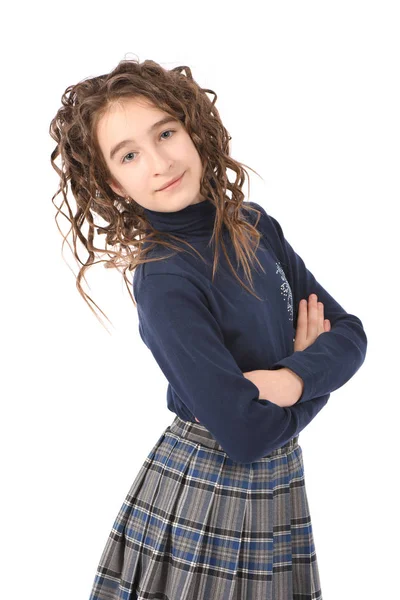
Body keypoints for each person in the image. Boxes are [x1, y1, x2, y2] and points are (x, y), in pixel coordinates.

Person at [49, 56, 367, 600]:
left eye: (166, 133)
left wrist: (287, 382)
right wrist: (317, 375)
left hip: (280, 469)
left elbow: (352, 335)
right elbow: (242, 433)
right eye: (129, 155)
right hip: (209, 482)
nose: (159, 162)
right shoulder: (165, 277)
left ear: (193, 131)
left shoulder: (256, 226)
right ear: (115, 185)